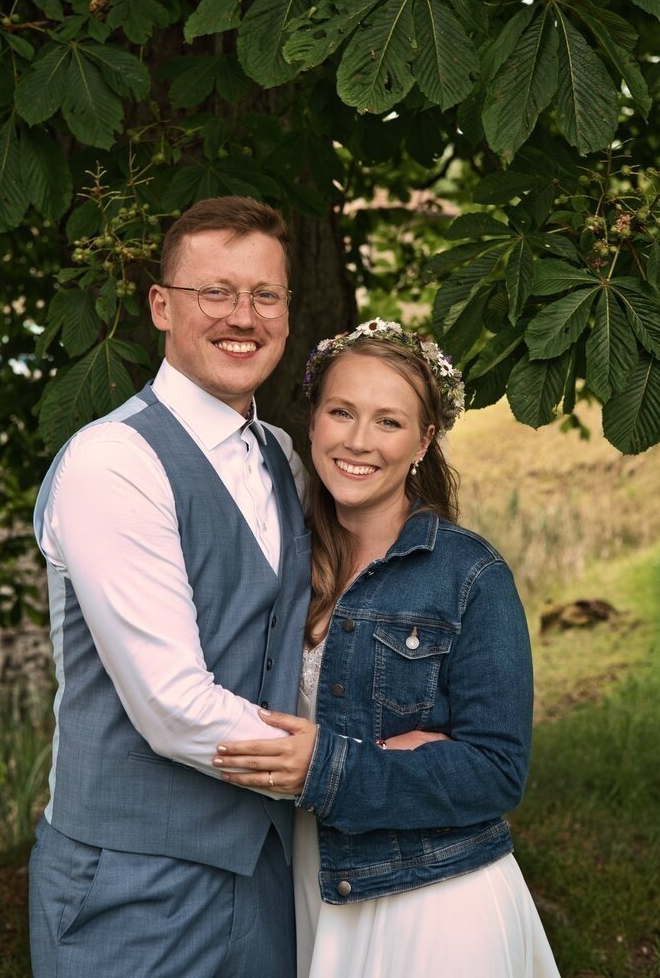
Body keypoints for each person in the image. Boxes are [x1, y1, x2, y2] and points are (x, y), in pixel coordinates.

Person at [213, 318, 561, 977]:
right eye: (341, 412)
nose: (357, 441)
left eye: (388, 422)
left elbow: (496, 769)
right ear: (312, 421)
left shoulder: (468, 576)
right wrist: (386, 753)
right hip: (321, 884)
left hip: (436, 899)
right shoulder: (281, 563)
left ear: (423, 440)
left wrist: (333, 766)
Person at [29, 196, 313, 978]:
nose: (242, 317)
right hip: (132, 879)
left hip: (262, 868)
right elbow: (170, 705)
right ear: (161, 305)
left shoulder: (283, 456)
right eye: (214, 292)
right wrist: (344, 769)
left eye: (265, 295)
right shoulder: (113, 462)